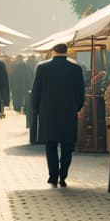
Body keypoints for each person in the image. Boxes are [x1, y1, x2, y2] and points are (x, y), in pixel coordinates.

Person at [32, 43, 85, 187]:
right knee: (67, 145)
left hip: (48, 113)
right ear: (66, 52)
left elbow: (36, 92)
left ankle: (53, 176)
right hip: (68, 112)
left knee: (51, 145)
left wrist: (37, 110)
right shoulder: (76, 69)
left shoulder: (42, 68)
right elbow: (81, 94)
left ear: (53, 52)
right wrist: (76, 107)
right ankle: (63, 175)